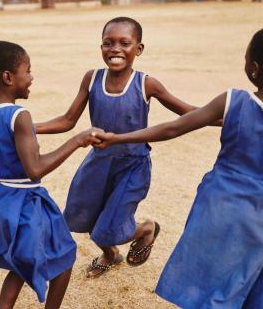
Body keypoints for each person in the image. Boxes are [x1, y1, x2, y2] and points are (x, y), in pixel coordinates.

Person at [93, 29, 263, 308]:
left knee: (209, 284)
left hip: (222, 209)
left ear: (253, 69)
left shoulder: (235, 100)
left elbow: (172, 128)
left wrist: (118, 137)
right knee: (251, 281)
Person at [35, 17, 198, 278]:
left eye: (125, 43)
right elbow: (67, 121)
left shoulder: (146, 83)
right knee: (84, 216)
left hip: (132, 166)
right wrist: (29, 127)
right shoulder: (92, 79)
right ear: (101, 47)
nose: (115, 49)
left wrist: (226, 116)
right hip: (98, 163)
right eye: (108, 43)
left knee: (110, 226)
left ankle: (145, 229)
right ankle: (111, 254)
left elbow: (187, 112)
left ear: (139, 49)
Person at [0, 41, 103, 309]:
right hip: (25, 202)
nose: (31, 78)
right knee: (65, 256)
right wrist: (77, 141)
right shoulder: (19, 115)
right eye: (28, 71)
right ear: (8, 77)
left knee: (20, 261)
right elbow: (35, 169)